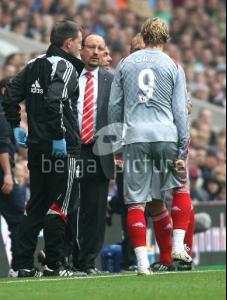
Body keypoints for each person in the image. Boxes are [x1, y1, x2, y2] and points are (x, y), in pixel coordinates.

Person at [3, 20, 86, 278]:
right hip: (62, 148)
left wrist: (17, 125)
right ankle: (55, 265)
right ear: (69, 43)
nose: (81, 50)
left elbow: (9, 96)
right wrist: (60, 136)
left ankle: (23, 265)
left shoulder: (33, 63)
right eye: (80, 44)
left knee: (36, 206)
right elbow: (55, 101)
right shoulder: (66, 66)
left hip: (37, 149)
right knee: (60, 204)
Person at [109, 18, 192, 275]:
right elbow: (181, 110)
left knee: (135, 202)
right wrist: (183, 146)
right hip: (166, 133)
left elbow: (114, 107)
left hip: (135, 137)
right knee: (179, 187)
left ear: (143, 36)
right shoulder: (174, 65)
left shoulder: (125, 64)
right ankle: (178, 245)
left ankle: (143, 264)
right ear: (166, 39)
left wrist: (116, 144)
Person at [72, 34, 114, 275]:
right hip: (72, 150)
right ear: (81, 50)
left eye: (101, 48)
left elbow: (118, 117)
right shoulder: (69, 77)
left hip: (100, 153)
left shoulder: (111, 80)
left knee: (96, 211)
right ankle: (67, 258)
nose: (96, 52)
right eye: (91, 47)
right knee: (70, 207)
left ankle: (87, 262)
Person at [0, 78, 26, 276]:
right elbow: (1, 146)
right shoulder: (2, 112)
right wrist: (8, 174)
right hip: (3, 175)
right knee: (18, 217)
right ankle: (18, 266)